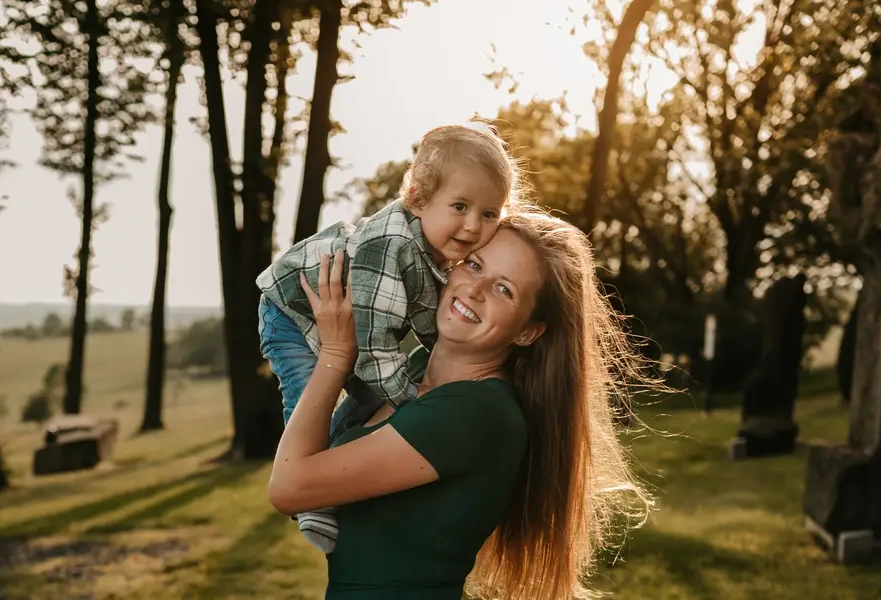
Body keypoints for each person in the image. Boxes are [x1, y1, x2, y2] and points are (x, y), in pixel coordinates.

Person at [268, 211, 653, 600]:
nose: (474, 289)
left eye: (503, 289)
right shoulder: (410, 370)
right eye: (474, 265)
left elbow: (289, 487)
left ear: (528, 331)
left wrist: (336, 354)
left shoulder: (476, 412)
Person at [256, 122, 521, 553]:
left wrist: (437, 372)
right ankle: (312, 495)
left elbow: (425, 321)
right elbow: (376, 346)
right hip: (290, 311)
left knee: (372, 398)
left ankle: (336, 461)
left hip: (349, 325)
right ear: (418, 199)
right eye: (460, 206)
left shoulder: (434, 248)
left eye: (489, 214)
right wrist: (413, 399)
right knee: (309, 397)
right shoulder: (391, 244)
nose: (474, 226)